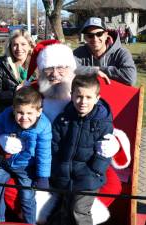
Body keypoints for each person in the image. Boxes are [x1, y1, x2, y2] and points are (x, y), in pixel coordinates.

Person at [2, 41, 131, 225]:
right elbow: (8, 123)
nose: (55, 74)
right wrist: (6, 140)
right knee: (8, 187)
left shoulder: (83, 93)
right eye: (49, 69)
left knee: (112, 185)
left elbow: (102, 125)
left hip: (82, 162)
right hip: (44, 162)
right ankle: (50, 213)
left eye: (62, 68)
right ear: (41, 70)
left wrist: (113, 143)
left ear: (71, 69)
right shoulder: (31, 93)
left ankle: (78, 212)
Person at [0, 86, 52, 224]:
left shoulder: (44, 127)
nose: (24, 117)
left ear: (39, 112)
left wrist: (43, 176)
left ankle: (30, 222)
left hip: (26, 167)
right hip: (6, 163)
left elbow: (44, 154)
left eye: (29, 113)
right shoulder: (6, 116)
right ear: (13, 110)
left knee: (26, 196)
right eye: (20, 113)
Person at [51, 75, 113, 225]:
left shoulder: (103, 123)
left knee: (79, 210)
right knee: (64, 211)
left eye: (88, 97)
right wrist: (57, 167)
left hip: (88, 177)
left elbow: (104, 154)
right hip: (64, 175)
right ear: (71, 95)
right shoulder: (63, 119)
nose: (83, 102)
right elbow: (54, 144)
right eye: (78, 96)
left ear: (97, 98)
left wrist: (94, 172)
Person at [73, 17, 137, 86]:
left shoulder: (121, 53)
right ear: (85, 37)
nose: (95, 39)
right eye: (90, 35)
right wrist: (93, 71)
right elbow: (69, 69)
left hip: (112, 95)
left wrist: (99, 70)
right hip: (87, 95)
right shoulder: (78, 53)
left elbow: (130, 78)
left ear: (106, 35)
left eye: (99, 34)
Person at [0, 29, 35, 121]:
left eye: (23, 44)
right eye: (15, 45)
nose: (19, 48)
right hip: (5, 118)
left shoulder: (38, 64)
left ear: (30, 46)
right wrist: (14, 92)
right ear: (10, 46)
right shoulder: (1, 64)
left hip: (30, 119)